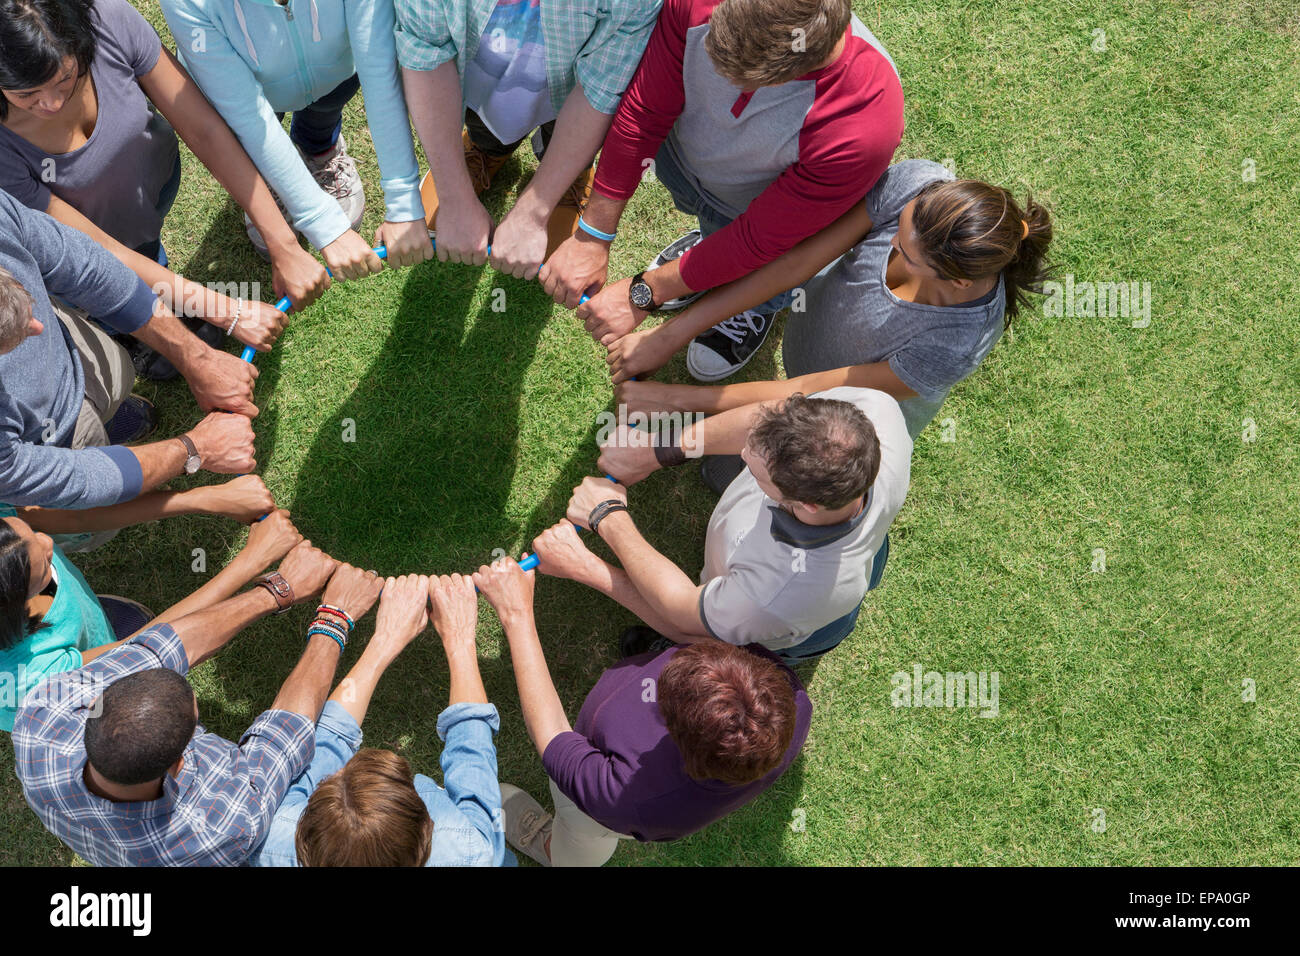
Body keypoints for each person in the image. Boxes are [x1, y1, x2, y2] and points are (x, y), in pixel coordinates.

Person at [540, 0, 904, 382]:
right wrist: (594, 235)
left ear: (788, 73)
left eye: (738, 79)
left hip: (751, 216)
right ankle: (703, 260)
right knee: (718, 239)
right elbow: (645, 111)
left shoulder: (863, 126)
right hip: (685, 165)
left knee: (754, 265)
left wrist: (644, 292)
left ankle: (752, 304)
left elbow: (756, 241)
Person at [608, 160, 1056, 439]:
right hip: (813, 321)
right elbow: (796, 264)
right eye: (899, 229)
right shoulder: (918, 185)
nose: (891, 247)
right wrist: (671, 334)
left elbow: (804, 393)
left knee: (751, 472)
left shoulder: (953, 345)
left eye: (905, 253)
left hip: (842, 407)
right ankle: (751, 304)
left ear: (957, 282)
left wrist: (675, 400)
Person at [11, 544, 391, 866]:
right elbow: (285, 735)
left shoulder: (40, 719)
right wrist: (335, 615)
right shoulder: (222, 827)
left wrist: (279, 590)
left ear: (98, 701)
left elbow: (163, 647)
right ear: (180, 763)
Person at [0, 0, 321, 368]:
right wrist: (226, 310)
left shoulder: (109, 20)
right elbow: (96, 250)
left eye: (65, 78)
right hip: (85, 246)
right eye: (26, 95)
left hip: (152, 191)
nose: (52, 103)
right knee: (100, 282)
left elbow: (205, 130)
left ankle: (163, 292)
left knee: (146, 248)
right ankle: (125, 325)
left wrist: (283, 242)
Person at [471, 553, 811, 867]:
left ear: (672, 730)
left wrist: (516, 614)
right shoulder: (787, 698)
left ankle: (553, 848)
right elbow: (692, 633)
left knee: (581, 835)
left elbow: (553, 735)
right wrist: (586, 566)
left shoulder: (627, 798)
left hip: (593, 815)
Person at [551, 387, 911, 662]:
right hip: (853, 551)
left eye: (757, 473)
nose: (741, 452)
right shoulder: (873, 413)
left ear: (806, 506)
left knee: (710, 641)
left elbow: (682, 609)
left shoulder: (777, 592)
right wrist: (658, 451)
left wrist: (607, 516)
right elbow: (765, 416)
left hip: (774, 622)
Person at [0, 196, 258, 521]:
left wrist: (198, 359)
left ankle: (105, 422)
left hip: (76, 364)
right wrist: (194, 450)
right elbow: (65, 481)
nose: (38, 325)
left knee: (114, 371)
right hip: (39, 448)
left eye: (29, 302)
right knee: (92, 512)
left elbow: (85, 267)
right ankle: (91, 439)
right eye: (9, 342)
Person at [249, 573, 511, 867]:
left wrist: (385, 641)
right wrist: (459, 639)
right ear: (427, 832)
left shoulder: (270, 839)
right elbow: (473, 761)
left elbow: (323, 744)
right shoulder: (470, 851)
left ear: (303, 834)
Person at [159, 0, 433, 275]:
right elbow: (247, 115)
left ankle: (320, 150)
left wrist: (403, 201)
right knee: (244, 136)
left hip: (335, 73)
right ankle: (268, 184)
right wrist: (321, 221)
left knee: (323, 115)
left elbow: (378, 66)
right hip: (239, 90)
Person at [394, 0, 662, 278]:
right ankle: (485, 151)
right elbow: (426, 50)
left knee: (559, 133)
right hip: (478, 75)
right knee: (483, 126)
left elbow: (599, 91)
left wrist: (533, 213)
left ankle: (567, 178)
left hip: (570, 92)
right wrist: (454, 197)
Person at [0, 484, 285, 733]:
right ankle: (90, 643)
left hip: (69, 649)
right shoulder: (27, 679)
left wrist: (208, 498)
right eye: (44, 569)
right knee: (126, 685)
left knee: (96, 630)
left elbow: (76, 517)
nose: (47, 540)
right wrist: (252, 560)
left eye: (32, 534)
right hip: (83, 695)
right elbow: (139, 650)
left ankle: (88, 633)